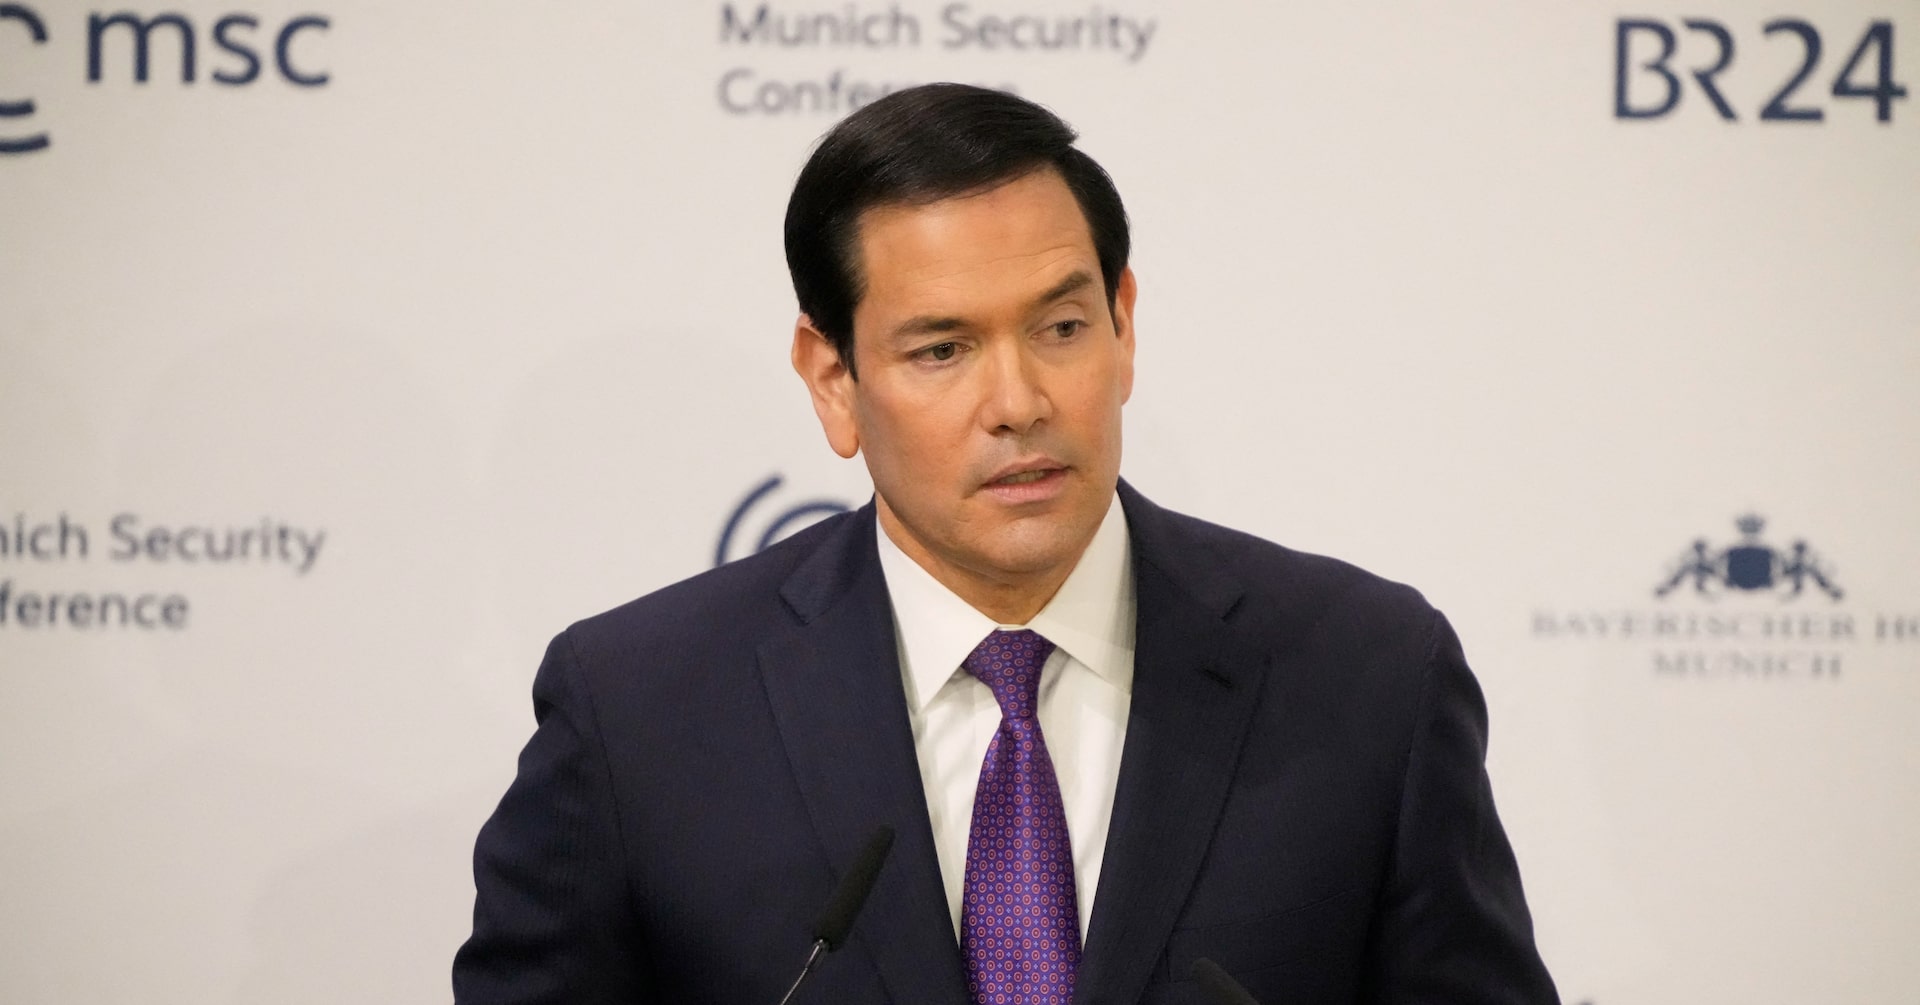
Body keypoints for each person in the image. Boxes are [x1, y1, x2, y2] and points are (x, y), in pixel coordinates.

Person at [453, 83, 1559, 1005]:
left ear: (1124, 326)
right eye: (942, 350)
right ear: (833, 379)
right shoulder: (640, 714)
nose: (1020, 402)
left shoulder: (1366, 675)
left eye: (1061, 327)